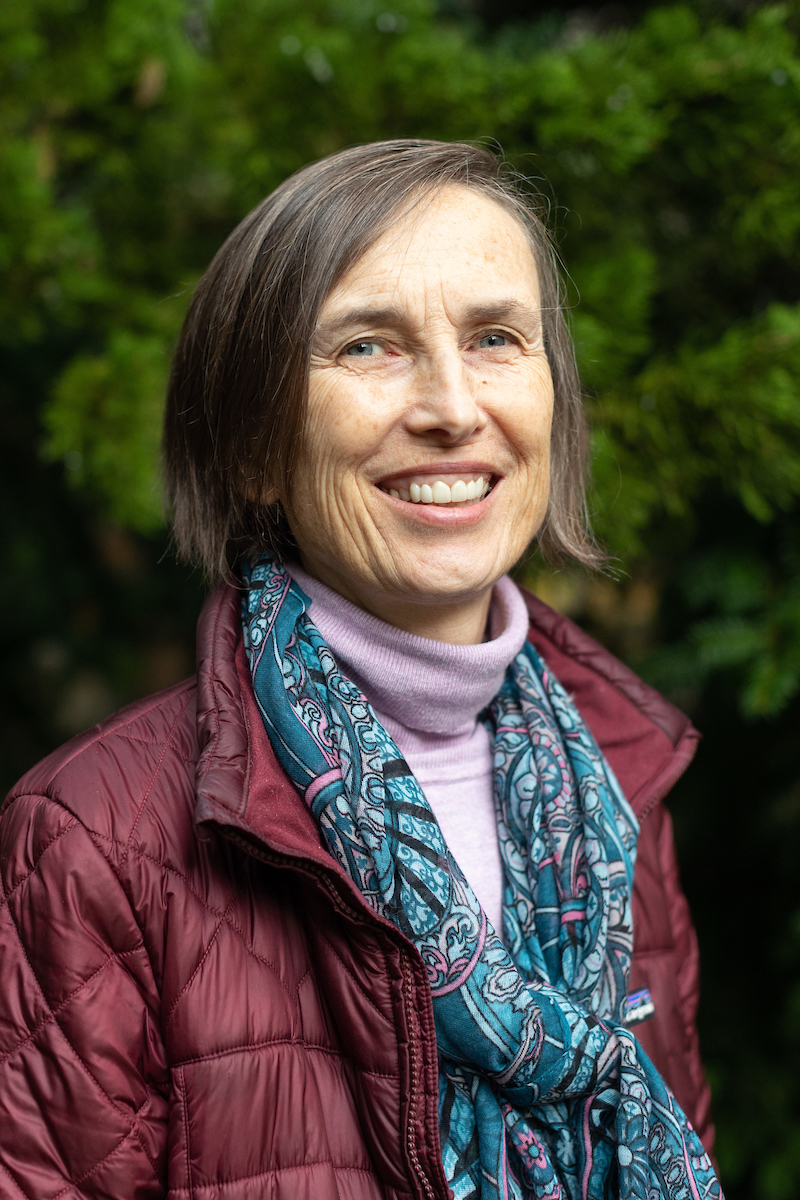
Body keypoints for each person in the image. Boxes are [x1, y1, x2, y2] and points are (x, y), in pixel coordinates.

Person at [0, 140, 723, 1200]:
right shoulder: (92, 840)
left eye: (493, 338)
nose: (449, 406)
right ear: (253, 445)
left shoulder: (622, 793)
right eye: (370, 348)